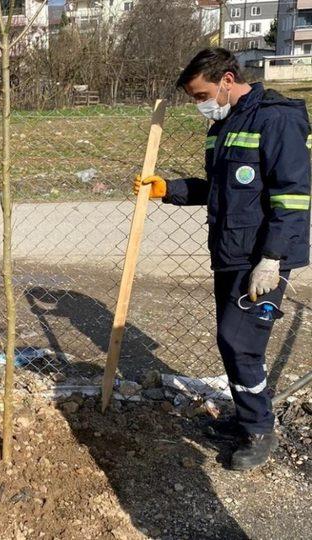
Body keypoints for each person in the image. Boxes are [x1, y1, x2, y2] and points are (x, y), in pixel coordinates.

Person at [135, 48, 310, 470]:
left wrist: (272, 258)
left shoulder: (277, 118)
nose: (201, 104)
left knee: (240, 343)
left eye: (202, 94)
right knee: (231, 344)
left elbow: (293, 195)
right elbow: (216, 188)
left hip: (262, 259)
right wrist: (168, 189)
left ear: (227, 80)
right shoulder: (223, 126)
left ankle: (260, 431)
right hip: (230, 253)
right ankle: (246, 417)